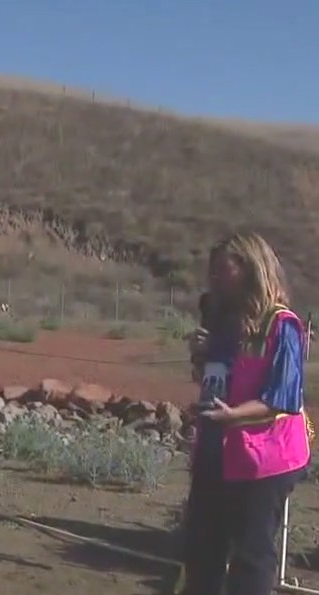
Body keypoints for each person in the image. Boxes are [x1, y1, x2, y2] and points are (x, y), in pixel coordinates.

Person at [180, 232, 311, 595]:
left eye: (225, 269)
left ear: (252, 268)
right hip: (216, 449)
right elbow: (211, 379)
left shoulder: (282, 326)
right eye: (213, 270)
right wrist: (200, 356)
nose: (216, 278)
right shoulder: (222, 320)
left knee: (251, 555)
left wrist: (232, 416)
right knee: (202, 548)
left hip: (264, 459)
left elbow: (280, 398)